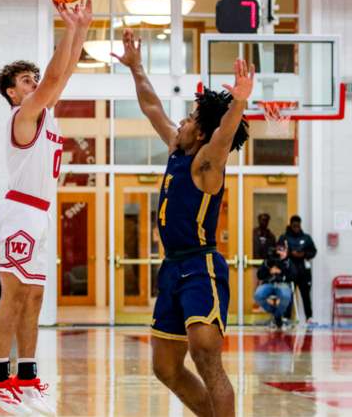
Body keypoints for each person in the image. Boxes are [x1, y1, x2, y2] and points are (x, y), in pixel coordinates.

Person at [114, 28, 252, 417]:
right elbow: (152, 107)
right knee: (166, 367)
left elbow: (224, 138)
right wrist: (137, 67)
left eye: (191, 117)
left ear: (202, 131)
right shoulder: (177, 148)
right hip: (172, 267)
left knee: (206, 357)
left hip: (200, 266)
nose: (183, 120)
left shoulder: (207, 162)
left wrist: (238, 104)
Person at [0, 0, 92, 416]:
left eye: (33, 79)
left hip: (40, 211)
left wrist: (81, 29)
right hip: (20, 211)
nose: (34, 83)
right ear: (12, 92)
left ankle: (25, 375)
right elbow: (57, 74)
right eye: (26, 80)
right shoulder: (22, 115)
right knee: (14, 294)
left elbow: (63, 75)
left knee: (35, 298)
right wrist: (69, 30)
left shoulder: (47, 113)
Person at [254, 239, 298, 328]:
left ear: (286, 251)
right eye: (278, 249)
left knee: (286, 296)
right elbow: (259, 275)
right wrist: (269, 269)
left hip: (283, 284)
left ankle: (277, 316)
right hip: (268, 284)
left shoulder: (288, 261)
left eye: (282, 249)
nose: (280, 252)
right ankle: (277, 315)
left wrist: (281, 271)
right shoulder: (269, 259)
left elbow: (294, 276)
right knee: (258, 295)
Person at [281, 215, 317, 324]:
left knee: (306, 295)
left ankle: (309, 317)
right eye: (294, 225)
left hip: (303, 272)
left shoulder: (306, 238)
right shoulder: (285, 238)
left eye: (298, 225)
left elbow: (313, 251)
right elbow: (279, 251)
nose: (296, 227)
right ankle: (286, 318)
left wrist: (303, 254)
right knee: (288, 295)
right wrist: (290, 254)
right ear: (291, 225)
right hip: (289, 271)